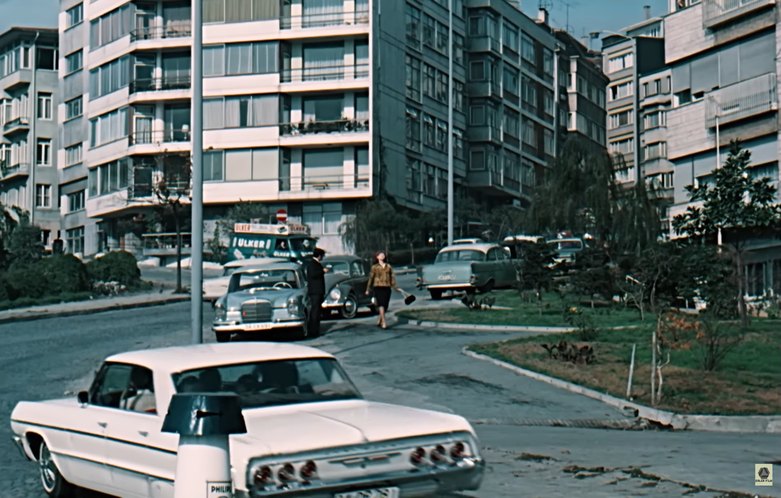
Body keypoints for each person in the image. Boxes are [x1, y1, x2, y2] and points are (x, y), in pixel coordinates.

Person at [365, 251, 397, 329]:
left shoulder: (388, 266)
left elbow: (392, 277)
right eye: (380, 255)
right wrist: (368, 289)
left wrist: (395, 286)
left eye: (383, 255)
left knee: (385, 305)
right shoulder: (374, 267)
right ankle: (384, 322)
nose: (382, 256)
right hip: (378, 287)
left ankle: (380, 318)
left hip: (387, 287)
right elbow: (371, 278)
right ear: (377, 257)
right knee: (381, 304)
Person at [305, 247, 326, 338]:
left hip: (317, 291)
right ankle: (313, 330)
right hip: (315, 291)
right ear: (319, 256)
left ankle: (316, 329)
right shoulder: (313, 264)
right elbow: (313, 275)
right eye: (322, 256)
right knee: (315, 311)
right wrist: (322, 271)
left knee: (317, 311)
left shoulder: (316, 264)